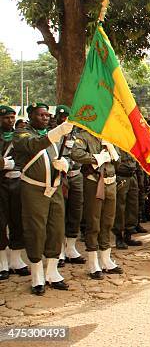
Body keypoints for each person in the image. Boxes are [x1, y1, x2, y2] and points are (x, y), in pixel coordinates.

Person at [13, 103, 73, 295]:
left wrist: (66, 164)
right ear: (31, 116)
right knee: (36, 230)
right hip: (33, 188)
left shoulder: (53, 135)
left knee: (56, 230)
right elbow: (33, 145)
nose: (45, 118)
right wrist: (58, 132)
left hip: (54, 188)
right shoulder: (22, 134)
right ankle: (37, 275)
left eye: (47, 115)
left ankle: (52, 272)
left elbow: (68, 155)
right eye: (41, 115)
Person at [71, 129, 123, 280]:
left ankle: (106, 259)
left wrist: (112, 149)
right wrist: (96, 158)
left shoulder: (110, 136)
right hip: (94, 182)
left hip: (111, 183)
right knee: (94, 223)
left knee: (108, 222)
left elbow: (117, 162)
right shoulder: (84, 136)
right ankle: (93, 263)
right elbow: (76, 153)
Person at [55, 105, 86, 267]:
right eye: (61, 117)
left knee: (76, 211)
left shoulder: (77, 134)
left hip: (77, 176)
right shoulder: (54, 134)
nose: (64, 120)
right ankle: (59, 250)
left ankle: (71, 248)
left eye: (67, 117)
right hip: (60, 177)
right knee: (60, 213)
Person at [0, 106, 29, 279]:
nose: (10, 121)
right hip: (1, 183)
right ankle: (2, 261)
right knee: (1, 222)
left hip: (17, 181)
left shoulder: (19, 135)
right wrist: (2, 163)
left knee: (17, 220)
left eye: (12, 118)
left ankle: (16, 260)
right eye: (6, 118)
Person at [113, 148, 143, 249]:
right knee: (120, 208)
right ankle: (119, 237)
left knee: (133, 206)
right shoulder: (116, 141)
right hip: (121, 177)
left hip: (132, 176)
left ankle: (128, 235)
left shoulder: (131, 141)